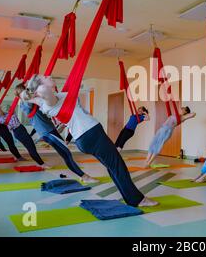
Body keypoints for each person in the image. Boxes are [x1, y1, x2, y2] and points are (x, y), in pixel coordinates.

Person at [22, 74, 158, 207]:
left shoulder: (50, 99)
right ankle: (137, 200)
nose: (49, 76)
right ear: (40, 88)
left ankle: (131, 198)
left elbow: (29, 96)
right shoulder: (49, 101)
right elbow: (41, 92)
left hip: (88, 136)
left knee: (113, 166)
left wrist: (29, 92)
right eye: (45, 78)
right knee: (118, 166)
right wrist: (33, 86)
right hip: (90, 135)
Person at [15, 83, 96, 183]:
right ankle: (84, 176)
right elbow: (28, 100)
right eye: (24, 91)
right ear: (20, 95)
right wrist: (30, 87)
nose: (27, 93)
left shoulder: (33, 102)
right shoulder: (24, 104)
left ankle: (82, 175)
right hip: (47, 132)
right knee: (66, 153)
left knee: (65, 153)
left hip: (50, 130)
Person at [0, 103, 49, 167]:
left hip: (20, 129)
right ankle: (41, 164)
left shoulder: (4, 113)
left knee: (32, 147)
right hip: (18, 131)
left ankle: (41, 163)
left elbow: (4, 111)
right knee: (31, 148)